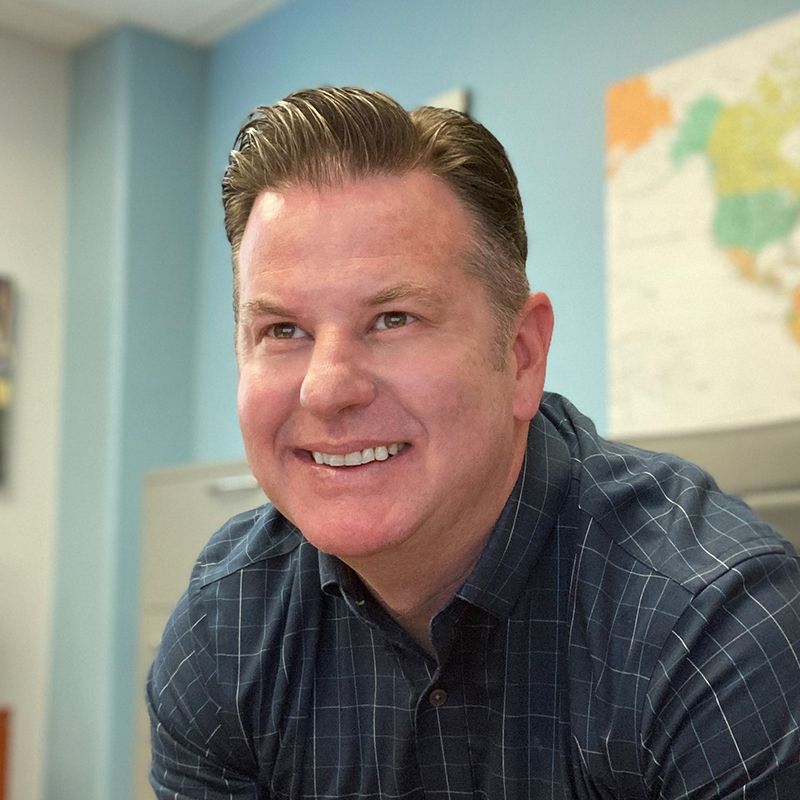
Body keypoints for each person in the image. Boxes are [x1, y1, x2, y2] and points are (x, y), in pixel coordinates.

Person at [147, 87, 800, 799]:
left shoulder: (715, 630)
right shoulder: (226, 625)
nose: (326, 389)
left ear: (521, 356)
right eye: (282, 330)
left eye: (393, 319)